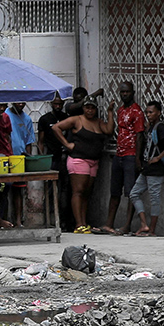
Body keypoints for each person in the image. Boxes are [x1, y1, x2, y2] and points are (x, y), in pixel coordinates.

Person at [52, 98, 115, 234]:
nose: (90, 110)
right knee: (78, 191)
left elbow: (109, 130)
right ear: (83, 108)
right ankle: (78, 224)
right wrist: (67, 144)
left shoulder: (98, 122)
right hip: (78, 160)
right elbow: (56, 127)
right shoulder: (77, 120)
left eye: (92, 108)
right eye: (87, 108)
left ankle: (83, 222)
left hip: (94, 160)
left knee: (86, 192)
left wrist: (110, 112)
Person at [99, 81, 145, 235]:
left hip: (131, 155)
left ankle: (127, 225)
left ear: (133, 92)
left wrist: (137, 158)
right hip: (119, 154)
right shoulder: (120, 110)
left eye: (127, 92)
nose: (124, 94)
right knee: (115, 190)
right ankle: (109, 223)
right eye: (122, 92)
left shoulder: (136, 111)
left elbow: (140, 135)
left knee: (131, 192)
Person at [129, 101, 164, 236]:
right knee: (134, 193)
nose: (148, 115)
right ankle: (144, 224)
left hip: (156, 168)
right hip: (147, 167)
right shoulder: (151, 127)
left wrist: (158, 157)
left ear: (158, 113)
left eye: (151, 112)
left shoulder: (160, 127)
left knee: (154, 198)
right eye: (147, 112)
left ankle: (152, 230)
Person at [37, 94, 74, 232]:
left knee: (65, 191)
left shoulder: (67, 119)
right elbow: (40, 142)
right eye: (55, 104)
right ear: (51, 103)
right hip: (51, 159)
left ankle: (65, 221)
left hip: (65, 158)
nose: (57, 106)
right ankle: (50, 221)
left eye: (60, 104)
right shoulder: (45, 119)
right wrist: (42, 160)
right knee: (51, 191)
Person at [6, 102, 35, 226]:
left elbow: (29, 142)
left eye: (23, 102)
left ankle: (18, 221)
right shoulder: (5, 115)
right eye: (18, 101)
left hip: (20, 159)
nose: (21, 104)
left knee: (18, 191)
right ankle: (3, 220)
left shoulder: (27, 119)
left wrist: (28, 162)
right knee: (3, 191)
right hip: (6, 158)